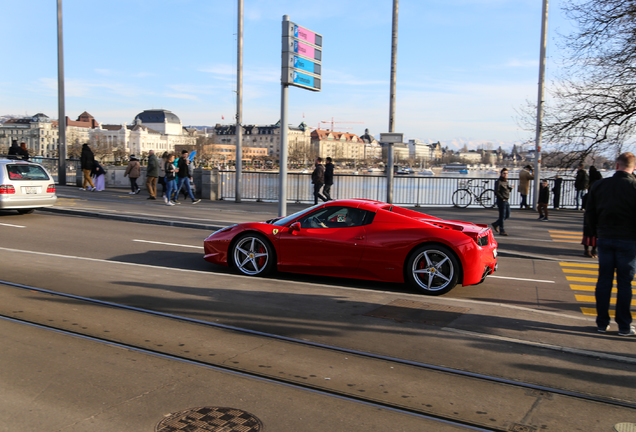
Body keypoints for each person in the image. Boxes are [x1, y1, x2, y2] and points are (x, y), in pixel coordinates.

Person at [585, 152, 636, 336]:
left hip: (605, 237)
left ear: (616, 165)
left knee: (604, 280)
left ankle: (602, 322)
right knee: (625, 284)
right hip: (629, 240)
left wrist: (595, 233)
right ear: (633, 168)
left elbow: (589, 213)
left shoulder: (600, 185)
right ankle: (623, 325)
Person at [492, 167, 512, 236]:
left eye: (506, 173)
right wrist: (502, 198)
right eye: (504, 173)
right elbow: (496, 192)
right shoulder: (499, 182)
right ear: (501, 174)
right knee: (502, 216)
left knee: (508, 215)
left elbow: (506, 190)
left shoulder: (506, 181)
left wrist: (510, 188)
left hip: (506, 200)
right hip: (501, 201)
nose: (505, 174)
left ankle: (496, 224)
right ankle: (502, 230)